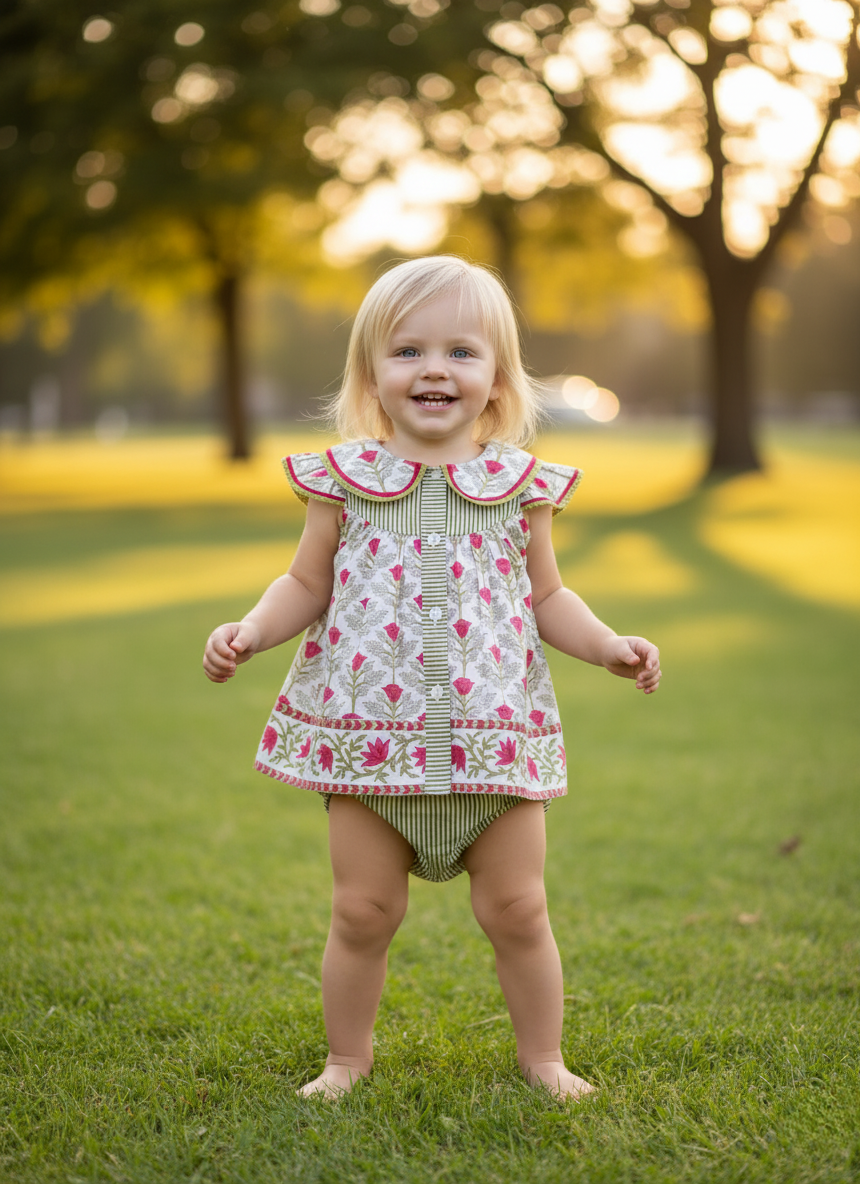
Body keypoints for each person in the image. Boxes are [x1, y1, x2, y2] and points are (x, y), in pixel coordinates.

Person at [203, 255, 661, 1102]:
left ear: (496, 378)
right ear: (373, 373)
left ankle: (544, 1059)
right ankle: (346, 1058)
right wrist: (252, 630)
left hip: (495, 746)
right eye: (408, 351)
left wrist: (607, 645)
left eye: (461, 351)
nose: (435, 369)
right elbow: (305, 583)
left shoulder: (518, 489)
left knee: (520, 912)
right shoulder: (345, 483)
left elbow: (547, 594)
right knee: (362, 913)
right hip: (372, 749)